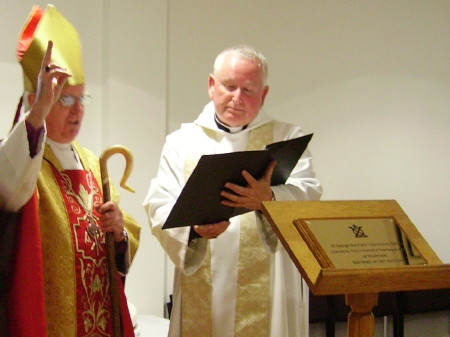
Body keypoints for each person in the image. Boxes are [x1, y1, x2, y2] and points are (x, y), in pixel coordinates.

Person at [144, 45, 322, 337]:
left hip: (270, 288)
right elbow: (158, 202)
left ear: (263, 95)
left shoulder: (286, 138)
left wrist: (271, 198)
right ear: (212, 86)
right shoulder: (181, 142)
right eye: (229, 86)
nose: (237, 98)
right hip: (201, 285)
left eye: (249, 90)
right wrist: (193, 231)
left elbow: (309, 193)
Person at [0, 5, 140, 336]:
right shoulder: (24, 158)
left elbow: (124, 241)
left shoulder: (93, 163)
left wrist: (120, 232)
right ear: (38, 99)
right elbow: (9, 188)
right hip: (50, 319)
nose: (78, 111)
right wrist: (36, 115)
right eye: (64, 100)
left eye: (82, 99)